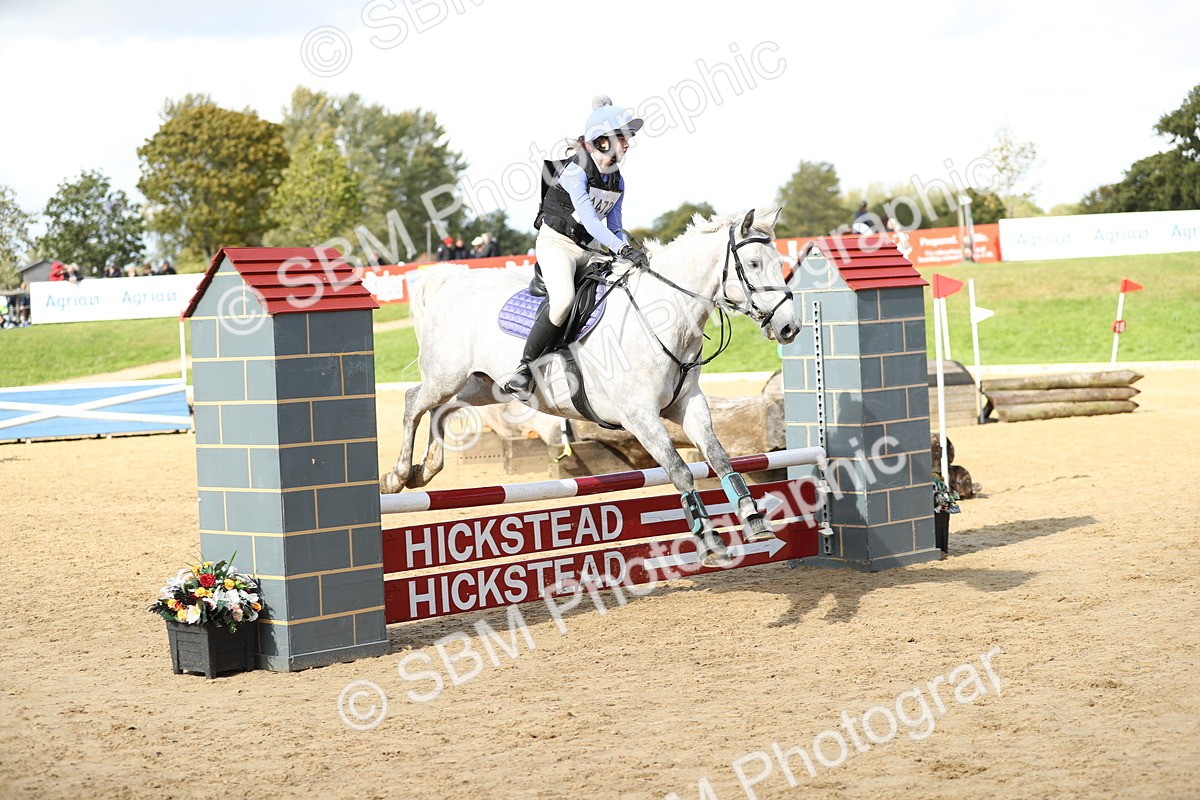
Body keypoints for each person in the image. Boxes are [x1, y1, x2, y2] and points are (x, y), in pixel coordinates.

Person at [502, 95, 648, 399]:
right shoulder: (575, 170)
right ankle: (525, 369)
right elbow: (592, 222)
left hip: (592, 250)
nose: (628, 144)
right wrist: (620, 250)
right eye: (623, 138)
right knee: (565, 300)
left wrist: (629, 248)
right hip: (558, 245)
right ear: (604, 141)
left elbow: (614, 225)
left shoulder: (617, 181)